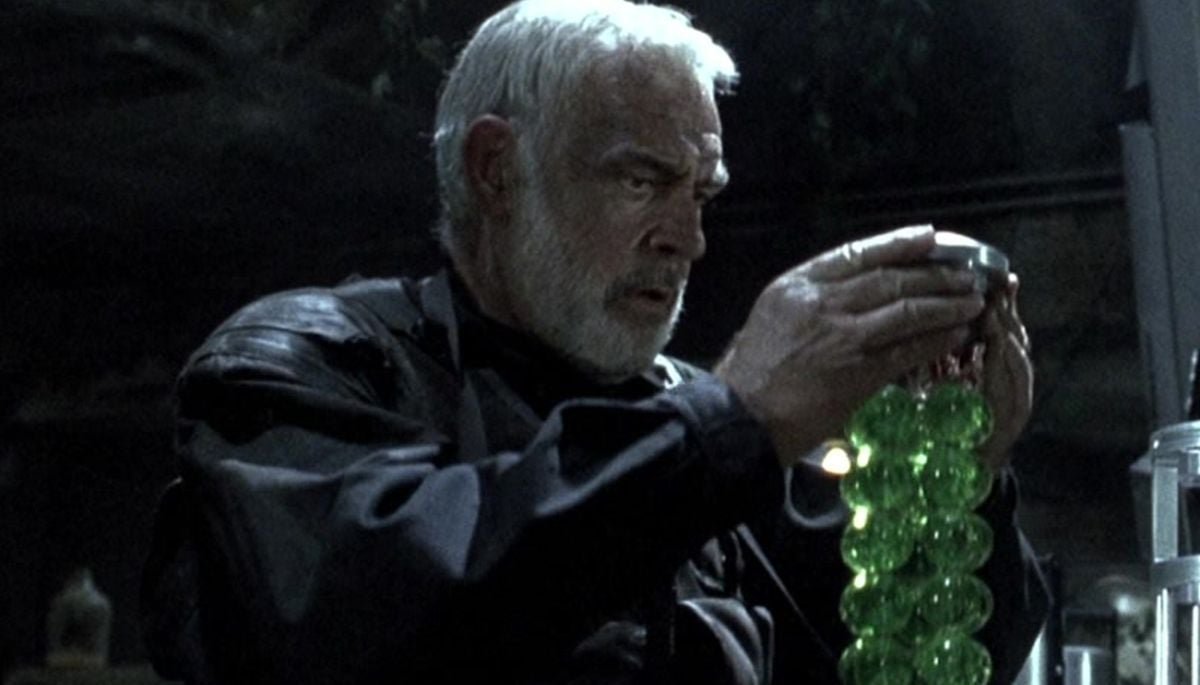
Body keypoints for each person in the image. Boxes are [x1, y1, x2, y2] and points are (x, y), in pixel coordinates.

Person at [142, 1, 1050, 683]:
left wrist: (961, 480)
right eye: (642, 180)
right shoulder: (313, 362)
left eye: (701, 194)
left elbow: (905, 647)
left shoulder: (693, 419)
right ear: (497, 170)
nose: (687, 239)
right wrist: (732, 418)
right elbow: (382, 608)